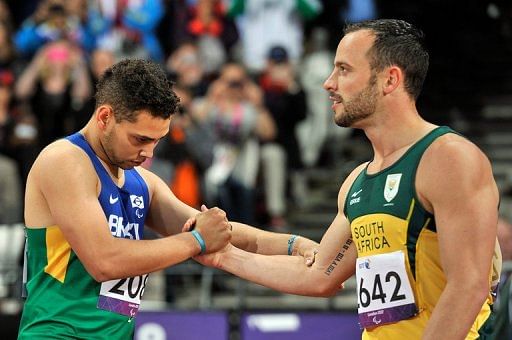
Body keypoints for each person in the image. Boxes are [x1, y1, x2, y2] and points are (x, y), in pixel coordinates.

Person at [196, 19, 500, 339]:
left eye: (344, 69)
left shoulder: (448, 158)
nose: (329, 83)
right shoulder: (357, 181)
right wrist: (225, 256)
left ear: (390, 79)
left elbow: (468, 286)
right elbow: (318, 274)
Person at [18, 59, 318, 339]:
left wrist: (293, 244)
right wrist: (197, 242)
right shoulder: (65, 160)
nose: (149, 153)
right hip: (57, 332)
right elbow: (104, 261)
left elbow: (219, 235)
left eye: (157, 140)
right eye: (140, 139)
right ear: (105, 117)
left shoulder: (143, 182)